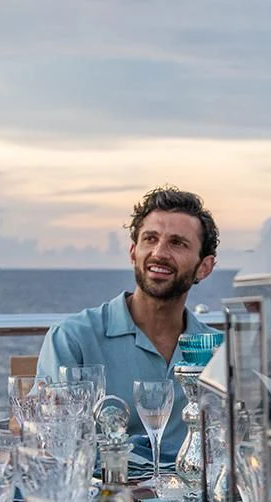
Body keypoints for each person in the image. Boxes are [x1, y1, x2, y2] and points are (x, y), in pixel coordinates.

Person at [36, 186, 219, 463]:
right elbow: (53, 449)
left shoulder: (219, 352)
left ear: (204, 267)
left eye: (177, 243)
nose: (159, 253)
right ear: (133, 252)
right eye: (150, 239)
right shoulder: (72, 340)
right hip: (104, 500)